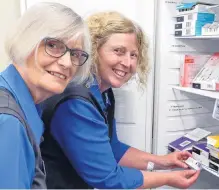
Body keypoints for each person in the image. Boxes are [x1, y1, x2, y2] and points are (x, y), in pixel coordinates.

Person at [41, 11, 200, 189]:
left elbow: (112, 148)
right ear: (93, 50)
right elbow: (109, 179)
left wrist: (163, 162)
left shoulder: (103, 92)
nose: (127, 62)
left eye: (133, 55)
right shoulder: (76, 103)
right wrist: (168, 179)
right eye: (118, 51)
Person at [0, 2, 91, 188]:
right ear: (26, 40)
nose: (67, 63)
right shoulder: (9, 121)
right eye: (53, 45)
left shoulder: (24, 103)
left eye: (75, 53)